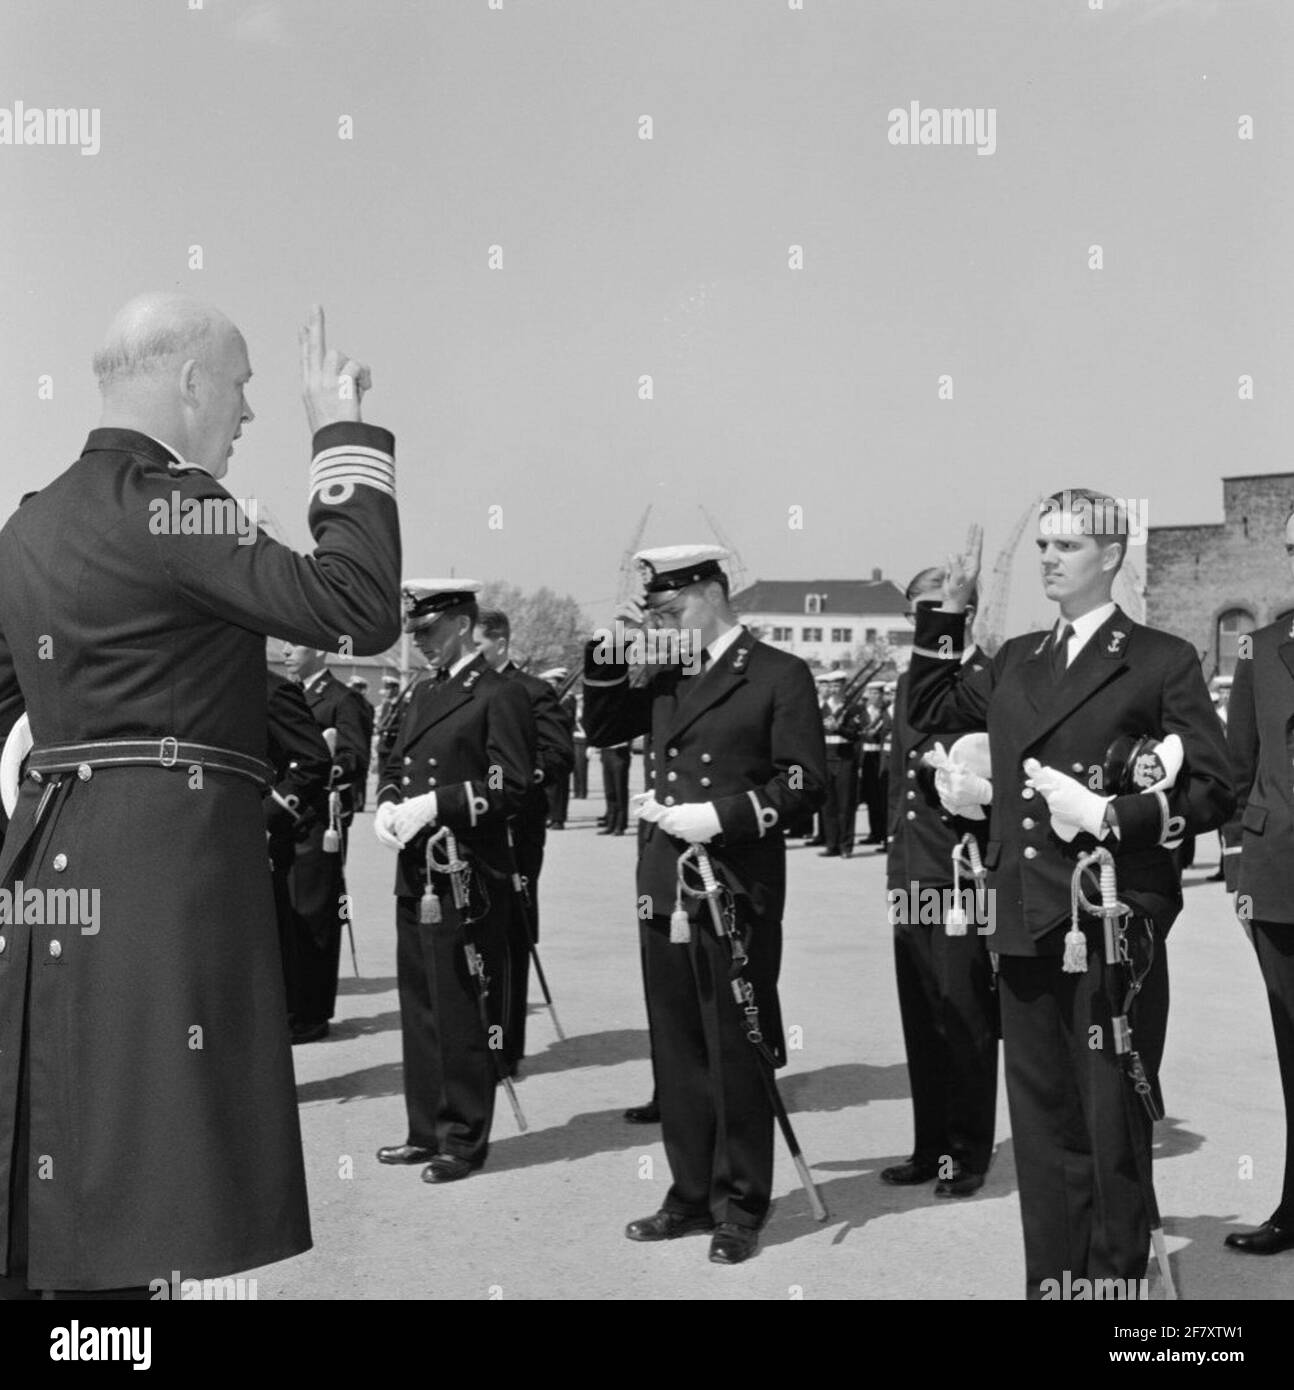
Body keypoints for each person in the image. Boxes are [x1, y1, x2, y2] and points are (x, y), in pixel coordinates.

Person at [0, 295, 399, 1298]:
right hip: (159, 895)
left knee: (65, 1160)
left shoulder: (32, 519)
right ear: (186, 383)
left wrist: (46, 770)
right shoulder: (175, 506)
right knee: (151, 1181)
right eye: (242, 384)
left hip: (49, 870)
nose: (249, 411)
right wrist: (339, 437)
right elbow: (356, 606)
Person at [907, 492, 1233, 1298]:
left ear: (1111, 556)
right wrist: (948, 617)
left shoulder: (1159, 659)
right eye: (1044, 544)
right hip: (1022, 920)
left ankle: (1115, 1295)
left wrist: (1113, 815)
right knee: (1045, 1126)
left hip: (1109, 921)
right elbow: (930, 708)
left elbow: (1219, 789)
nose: (1049, 558)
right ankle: (1053, 1286)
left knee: (1110, 1122)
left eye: (1067, 545)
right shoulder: (1018, 656)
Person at [583, 544, 826, 1264]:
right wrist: (611, 645)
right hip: (665, 884)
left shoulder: (779, 673)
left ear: (714, 593)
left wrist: (724, 817)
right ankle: (690, 1193)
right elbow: (600, 729)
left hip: (734, 887)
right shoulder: (664, 672)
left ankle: (742, 1204)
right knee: (678, 1049)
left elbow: (807, 785)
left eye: (672, 608)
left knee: (736, 1047)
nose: (666, 621)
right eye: (655, 611)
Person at [374, 580, 535, 1184]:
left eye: (431, 633)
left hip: (466, 870)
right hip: (417, 867)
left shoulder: (499, 694)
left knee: (463, 1006)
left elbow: (513, 785)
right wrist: (391, 803)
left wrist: (439, 803)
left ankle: (464, 1138)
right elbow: (394, 762)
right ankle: (425, 1129)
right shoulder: (423, 692)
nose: (421, 645)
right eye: (415, 635)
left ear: (464, 626)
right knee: (419, 1003)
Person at [883, 568, 998, 1198]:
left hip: (962, 874)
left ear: (965, 614)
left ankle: (965, 1154)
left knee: (966, 1015)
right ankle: (930, 1147)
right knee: (923, 1014)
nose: (921, 627)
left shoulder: (991, 679)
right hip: (913, 873)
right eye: (915, 614)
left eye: (934, 612)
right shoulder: (908, 684)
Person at [1221, 510, 1294, 1255]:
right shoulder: (1263, 647)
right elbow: (1236, 764)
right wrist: (1237, 867)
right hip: (1278, 880)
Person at [473, 612, 574, 1071]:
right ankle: (474, 1038)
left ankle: (505, 1044)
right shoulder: (464, 690)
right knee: (472, 932)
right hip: (469, 826)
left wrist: (516, 777)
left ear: (499, 641)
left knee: (510, 934)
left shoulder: (533, 691)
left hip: (514, 827)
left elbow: (558, 754)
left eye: (478, 643)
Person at [280, 642, 370, 1041]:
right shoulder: (289, 693)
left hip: (319, 820)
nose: (284, 651)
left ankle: (312, 1013)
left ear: (318, 650)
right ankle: (289, 1004)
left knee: (315, 913)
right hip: (284, 815)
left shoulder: (341, 699)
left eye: (293, 645)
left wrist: (326, 763)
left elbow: (355, 757)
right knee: (287, 912)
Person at [264, 672, 337, 1040]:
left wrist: (266, 815)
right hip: (208, 841)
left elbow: (314, 760)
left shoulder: (270, 689)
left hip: (266, 837)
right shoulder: (202, 681)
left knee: (298, 926)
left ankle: (304, 1015)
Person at [817, 671, 864, 857]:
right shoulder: (822, 708)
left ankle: (846, 845)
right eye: (831, 686)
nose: (834, 689)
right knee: (828, 805)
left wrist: (839, 729)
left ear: (844, 686)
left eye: (837, 685)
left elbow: (856, 735)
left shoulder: (853, 708)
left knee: (845, 805)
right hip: (826, 759)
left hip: (845, 759)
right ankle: (831, 844)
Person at [347, 676, 376, 812]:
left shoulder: (366, 706)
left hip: (361, 745)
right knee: (352, 775)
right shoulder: (352, 704)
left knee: (360, 776)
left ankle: (359, 803)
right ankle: (354, 802)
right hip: (354, 745)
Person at [599, 737, 632, 835]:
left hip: (620, 751)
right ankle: (610, 823)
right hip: (606, 750)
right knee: (609, 791)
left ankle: (620, 825)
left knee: (620, 790)